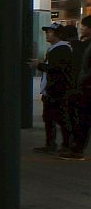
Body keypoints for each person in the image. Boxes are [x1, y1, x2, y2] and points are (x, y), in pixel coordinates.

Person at [29, 22, 74, 154]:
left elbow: (56, 69)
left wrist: (39, 65)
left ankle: (65, 144)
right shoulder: (55, 48)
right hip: (52, 90)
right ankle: (53, 144)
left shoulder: (62, 49)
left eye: (50, 32)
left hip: (57, 91)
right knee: (50, 118)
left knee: (59, 118)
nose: (47, 34)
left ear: (58, 34)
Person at [63, 15, 91, 160]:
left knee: (83, 119)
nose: (81, 28)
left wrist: (82, 82)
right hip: (85, 86)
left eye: (84, 26)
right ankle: (77, 148)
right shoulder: (86, 44)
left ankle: (77, 149)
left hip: (87, 88)